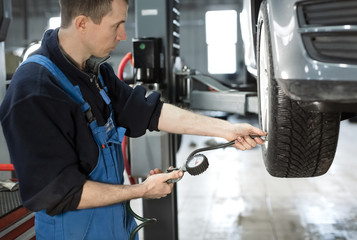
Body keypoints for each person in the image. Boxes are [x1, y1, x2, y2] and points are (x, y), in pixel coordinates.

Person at [0, 0, 266, 239]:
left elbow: (150, 111)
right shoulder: (34, 91)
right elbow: (60, 193)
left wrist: (227, 129)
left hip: (116, 229)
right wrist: (141, 191)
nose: (123, 35)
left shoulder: (95, 72)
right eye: (117, 25)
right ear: (82, 24)